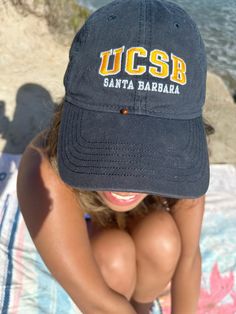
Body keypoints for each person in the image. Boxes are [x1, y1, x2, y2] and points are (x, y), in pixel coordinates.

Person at [17, 0, 214, 313]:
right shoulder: (42, 167)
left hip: (148, 241)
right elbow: (95, 300)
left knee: (163, 238)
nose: (127, 179)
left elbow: (188, 259)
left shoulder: (190, 159)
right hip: (101, 251)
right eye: (109, 138)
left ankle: (142, 304)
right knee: (114, 255)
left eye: (154, 145)